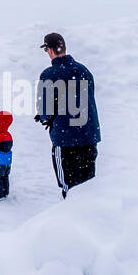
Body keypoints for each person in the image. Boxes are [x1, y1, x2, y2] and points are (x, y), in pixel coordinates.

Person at [34, 33, 101, 198]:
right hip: (88, 137)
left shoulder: (49, 74)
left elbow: (45, 110)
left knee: (69, 188)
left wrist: (45, 118)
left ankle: (71, 221)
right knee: (88, 187)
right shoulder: (84, 70)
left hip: (66, 140)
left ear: (49, 50)